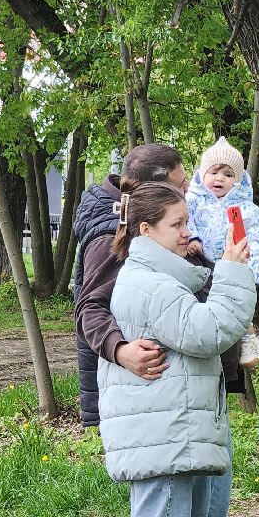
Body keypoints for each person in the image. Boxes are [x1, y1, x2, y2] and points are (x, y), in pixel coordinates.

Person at [97, 181, 255, 517]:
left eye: (187, 223)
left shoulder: (159, 279)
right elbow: (211, 332)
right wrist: (234, 270)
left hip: (172, 432)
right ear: (146, 231)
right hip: (162, 436)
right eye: (178, 226)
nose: (188, 234)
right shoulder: (149, 285)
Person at [74, 144, 191, 428]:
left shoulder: (153, 220)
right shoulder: (109, 234)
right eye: (180, 184)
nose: (188, 188)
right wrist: (121, 350)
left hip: (161, 392)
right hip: (136, 393)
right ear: (151, 191)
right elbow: (90, 308)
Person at [186, 137, 259, 367]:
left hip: (233, 264)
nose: (219, 178)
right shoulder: (192, 200)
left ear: (238, 180)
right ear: (202, 175)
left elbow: (258, 241)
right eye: (213, 172)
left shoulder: (246, 210)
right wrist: (192, 236)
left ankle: (248, 339)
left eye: (228, 174)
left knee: (238, 303)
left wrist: (255, 273)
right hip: (200, 262)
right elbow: (184, 219)